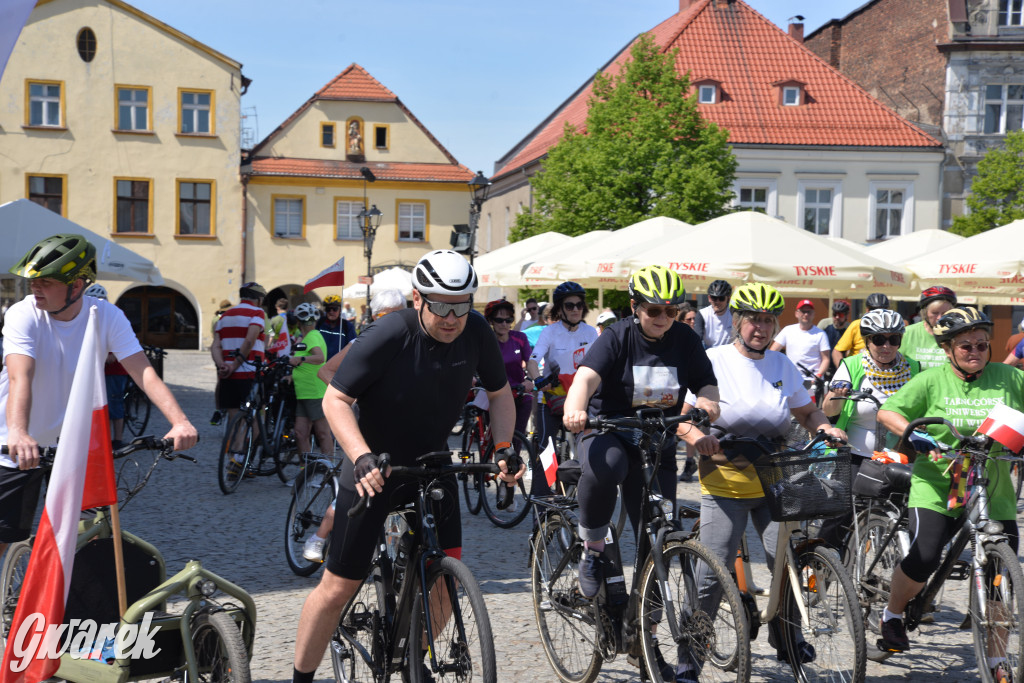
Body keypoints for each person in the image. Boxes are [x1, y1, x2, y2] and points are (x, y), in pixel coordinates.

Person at [291, 250, 523, 683]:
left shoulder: (475, 331)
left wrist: (505, 445)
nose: (452, 317)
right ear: (417, 298)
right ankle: (300, 677)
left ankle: (411, 662)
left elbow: (500, 394)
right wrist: (360, 457)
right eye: (440, 305)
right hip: (374, 464)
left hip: (433, 463)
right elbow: (335, 399)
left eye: (461, 305)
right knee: (338, 586)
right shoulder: (390, 333)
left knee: (444, 585)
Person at [679, 282, 846, 674]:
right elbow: (684, 419)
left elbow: (806, 413)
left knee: (788, 562)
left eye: (769, 320)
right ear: (738, 321)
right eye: (753, 319)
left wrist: (826, 428)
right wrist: (699, 438)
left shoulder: (781, 364)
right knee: (710, 576)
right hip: (725, 479)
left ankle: (787, 637)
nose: (762, 327)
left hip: (776, 476)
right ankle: (689, 661)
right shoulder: (712, 360)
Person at [0, 234, 198, 556]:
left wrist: (180, 421)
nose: (34, 288)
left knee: (90, 538)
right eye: (33, 280)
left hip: (71, 445)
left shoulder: (106, 315)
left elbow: (143, 371)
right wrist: (20, 433)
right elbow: (22, 375)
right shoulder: (23, 314)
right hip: (14, 445)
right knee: (3, 536)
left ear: (76, 286)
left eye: (46, 282)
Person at [875, 307, 1022, 677]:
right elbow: (888, 412)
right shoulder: (931, 380)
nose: (975, 351)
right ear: (947, 348)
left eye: (982, 344)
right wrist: (913, 431)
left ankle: (997, 660)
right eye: (965, 345)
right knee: (925, 556)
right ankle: (893, 613)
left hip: (993, 486)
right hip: (939, 483)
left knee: (998, 578)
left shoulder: (1009, 377)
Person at [562, 266, 719, 601]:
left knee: (658, 531)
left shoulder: (685, 339)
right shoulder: (617, 336)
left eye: (671, 311)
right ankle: (592, 547)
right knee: (608, 468)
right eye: (654, 310)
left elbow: (705, 382)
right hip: (609, 428)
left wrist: (708, 402)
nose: (663, 317)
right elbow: (585, 378)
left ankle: (643, 628)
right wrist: (574, 410)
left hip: (656, 439)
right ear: (635, 306)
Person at [525, 282, 598, 454]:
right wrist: (539, 379)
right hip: (551, 398)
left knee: (589, 452)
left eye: (579, 305)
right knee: (545, 455)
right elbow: (533, 362)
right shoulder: (550, 332)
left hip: (582, 401)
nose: (575, 309)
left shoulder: (590, 332)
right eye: (569, 305)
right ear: (560, 309)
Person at [210, 282, 267, 441]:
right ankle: (241, 459)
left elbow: (215, 346)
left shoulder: (225, 315)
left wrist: (222, 364)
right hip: (249, 373)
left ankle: (231, 457)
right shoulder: (257, 313)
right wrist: (235, 365)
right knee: (255, 416)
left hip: (227, 376)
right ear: (259, 299)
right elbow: (249, 341)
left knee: (233, 416)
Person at [83, 284, 130, 448]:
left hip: (114, 369)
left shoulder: (114, 314)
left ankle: (117, 439)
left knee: (114, 402)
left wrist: (112, 354)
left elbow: (122, 339)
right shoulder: (84, 314)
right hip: (95, 368)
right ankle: (100, 438)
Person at [769, 299, 830, 397]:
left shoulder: (820, 334)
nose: (805, 314)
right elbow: (772, 352)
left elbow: (826, 359)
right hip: (791, 379)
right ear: (797, 313)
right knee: (790, 410)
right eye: (803, 311)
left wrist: (818, 376)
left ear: (813, 314)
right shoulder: (788, 330)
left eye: (808, 312)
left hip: (812, 381)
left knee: (811, 411)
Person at [901, 286, 957, 370]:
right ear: (925, 313)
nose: (939, 317)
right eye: (934, 313)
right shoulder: (907, 333)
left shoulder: (957, 334)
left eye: (945, 313)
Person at [831, 292, 890, 369]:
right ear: (867, 310)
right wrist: (843, 371)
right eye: (873, 309)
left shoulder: (891, 328)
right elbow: (837, 351)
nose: (877, 313)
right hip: (857, 369)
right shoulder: (857, 325)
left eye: (882, 309)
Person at [692, 279, 733, 348]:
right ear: (709, 298)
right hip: (709, 351)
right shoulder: (702, 314)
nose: (717, 301)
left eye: (721, 298)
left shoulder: (734, 313)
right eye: (714, 298)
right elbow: (697, 339)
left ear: (728, 299)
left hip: (729, 351)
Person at [316, 294, 352, 359]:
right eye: (328, 309)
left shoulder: (347, 326)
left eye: (335, 309)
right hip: (321, 364)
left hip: (338, 365)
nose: (331, 312)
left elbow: (352, 346)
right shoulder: (320, 323)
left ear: (340, 310)